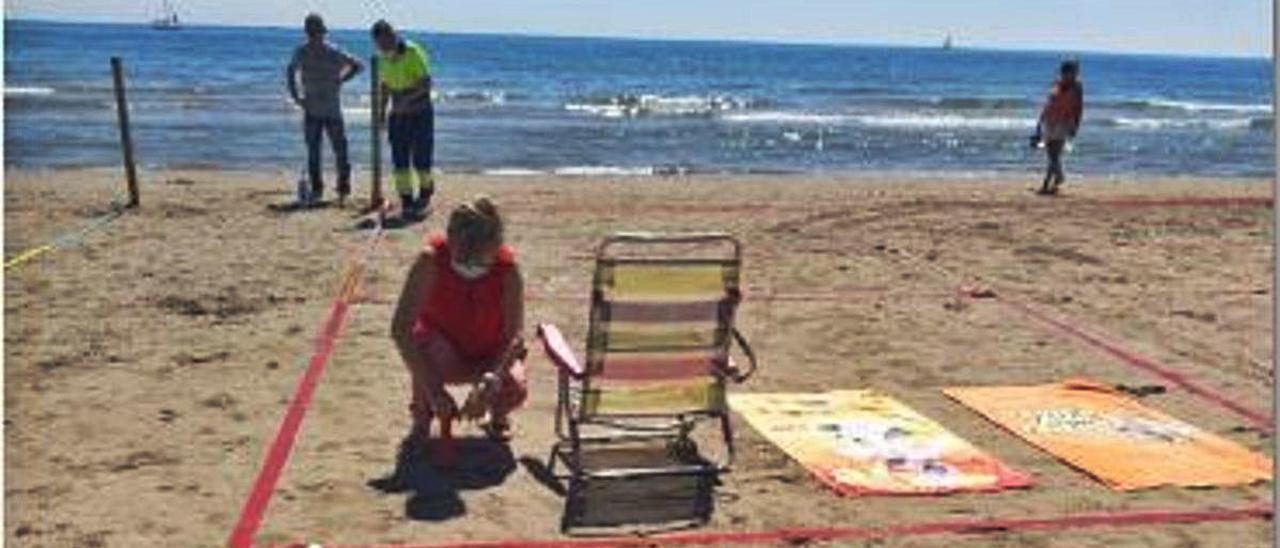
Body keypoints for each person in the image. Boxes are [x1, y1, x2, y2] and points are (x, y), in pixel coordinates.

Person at [391, 197, 527, 457]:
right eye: (463, 260)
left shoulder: (508, 271)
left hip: (489, 351)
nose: (471, 267)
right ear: (450, 241)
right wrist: (434, 390)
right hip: (444, 348)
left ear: (496, 246)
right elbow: (401, 329)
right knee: (423, 348)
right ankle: (422, 418)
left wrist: (491, 381)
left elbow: (514, 337)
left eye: (480, 263)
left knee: (515, 388)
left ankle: (497, 416)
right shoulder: (429, 262)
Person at [287, 13, 362, 206]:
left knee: (340, 150)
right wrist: (296, 97)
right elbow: (290, 70)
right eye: (311, 32)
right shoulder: (302, 51)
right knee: (314, 152)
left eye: (316, 32)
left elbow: (358, 65)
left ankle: (343, 188)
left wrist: (342, 79)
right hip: (312, 109)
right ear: (307, 33)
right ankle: (318, 188)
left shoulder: (333, 51)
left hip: (331, 109)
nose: (314, 36)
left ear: (322, 32)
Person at [371, 20, 436, 218]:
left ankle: (425, 195)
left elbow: (426, 84)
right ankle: (406, 199)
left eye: (387, 42)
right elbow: (384, 87)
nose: (385, 47)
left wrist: (407, 100)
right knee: (400, 159)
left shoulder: (412, 51)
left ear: (394, 35)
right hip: (398, 115)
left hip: (420, 111)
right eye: (380, 44)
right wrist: (381, 114)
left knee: (421, 158)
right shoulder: (381, 59)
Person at [1032, 59, 1084, 195]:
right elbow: (1047, 104)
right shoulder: (1056, 84)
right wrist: (1039, 122)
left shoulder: (1077, 87)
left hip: (1063, 122)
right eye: (1066, 72)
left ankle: (1049, 183)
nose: (1069, 75)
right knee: (1052, 156)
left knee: (1054, 155)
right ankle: (1053, 183)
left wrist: (1076, 125)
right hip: (1049, 120)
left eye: (1072, 72)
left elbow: (1079, 108)